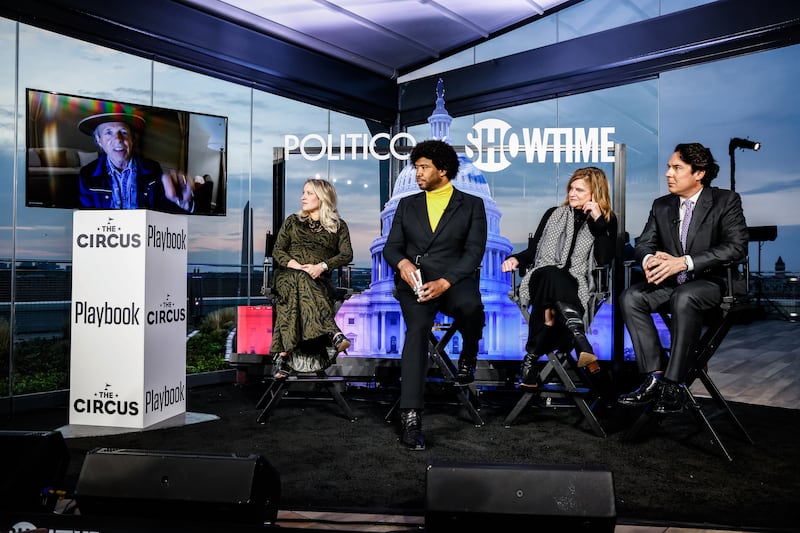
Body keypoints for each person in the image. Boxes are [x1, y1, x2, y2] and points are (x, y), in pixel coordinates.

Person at [617, 142, 748, 414]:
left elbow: (736, 247)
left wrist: (684, 262)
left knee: (684, 296)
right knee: (631, 297)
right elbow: (643, 243)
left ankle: (674, 384)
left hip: (714, 283)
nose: (668, 173)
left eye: (677, 168)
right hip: (676, 286)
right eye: (668, 167)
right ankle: (655, 376)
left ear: (699, 173)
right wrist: (649, 260)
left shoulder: (726, 201)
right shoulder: (661, 205)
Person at [383, 139, 487, 450]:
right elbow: (391, 247)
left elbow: (474, 252)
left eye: (424, 167)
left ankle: (468, 355)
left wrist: (445, 282)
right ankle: (411, 415)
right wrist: (402, 264)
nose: (417, 173)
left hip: (454, 280)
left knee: (471, 307)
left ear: (442, 170)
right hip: (415, 282)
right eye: (416, 167)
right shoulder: (407, 204)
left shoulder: (472, 204)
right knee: (417, 331)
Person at [501, 167, 617, 389]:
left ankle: (532, 356)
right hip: (541, 277)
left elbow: (604, 258)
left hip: (575, 284)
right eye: (571, 188)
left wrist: (598, 222)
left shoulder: (606, 221)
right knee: (551, 273)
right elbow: (533, 251)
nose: (572, 193)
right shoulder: (553, 214)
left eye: (579, 190)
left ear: (595, 193)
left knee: (552, 304)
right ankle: (581, 341)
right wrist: (515, 258)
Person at [269, 178, 354, 379]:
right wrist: (297, 266)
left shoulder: (338, 226)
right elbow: (277, 251)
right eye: (303, 192)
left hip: (319, 281)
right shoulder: (292, 221)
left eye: (308, 193)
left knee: (300, 287)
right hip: (287, 275)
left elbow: (346, 254)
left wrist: (321, 266)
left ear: (322, 197)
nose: (303, 197)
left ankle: (283, 356)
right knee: (299, 278)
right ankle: (333, 332)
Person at [77, 111, 194, 212]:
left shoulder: (153, 169)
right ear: (99, 140)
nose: (118, 139)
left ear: (132, 139)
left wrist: (182, 203)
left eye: (123, 132)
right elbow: (85, 218)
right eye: (108, 132)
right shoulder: (87, 174)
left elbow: (164, 212)